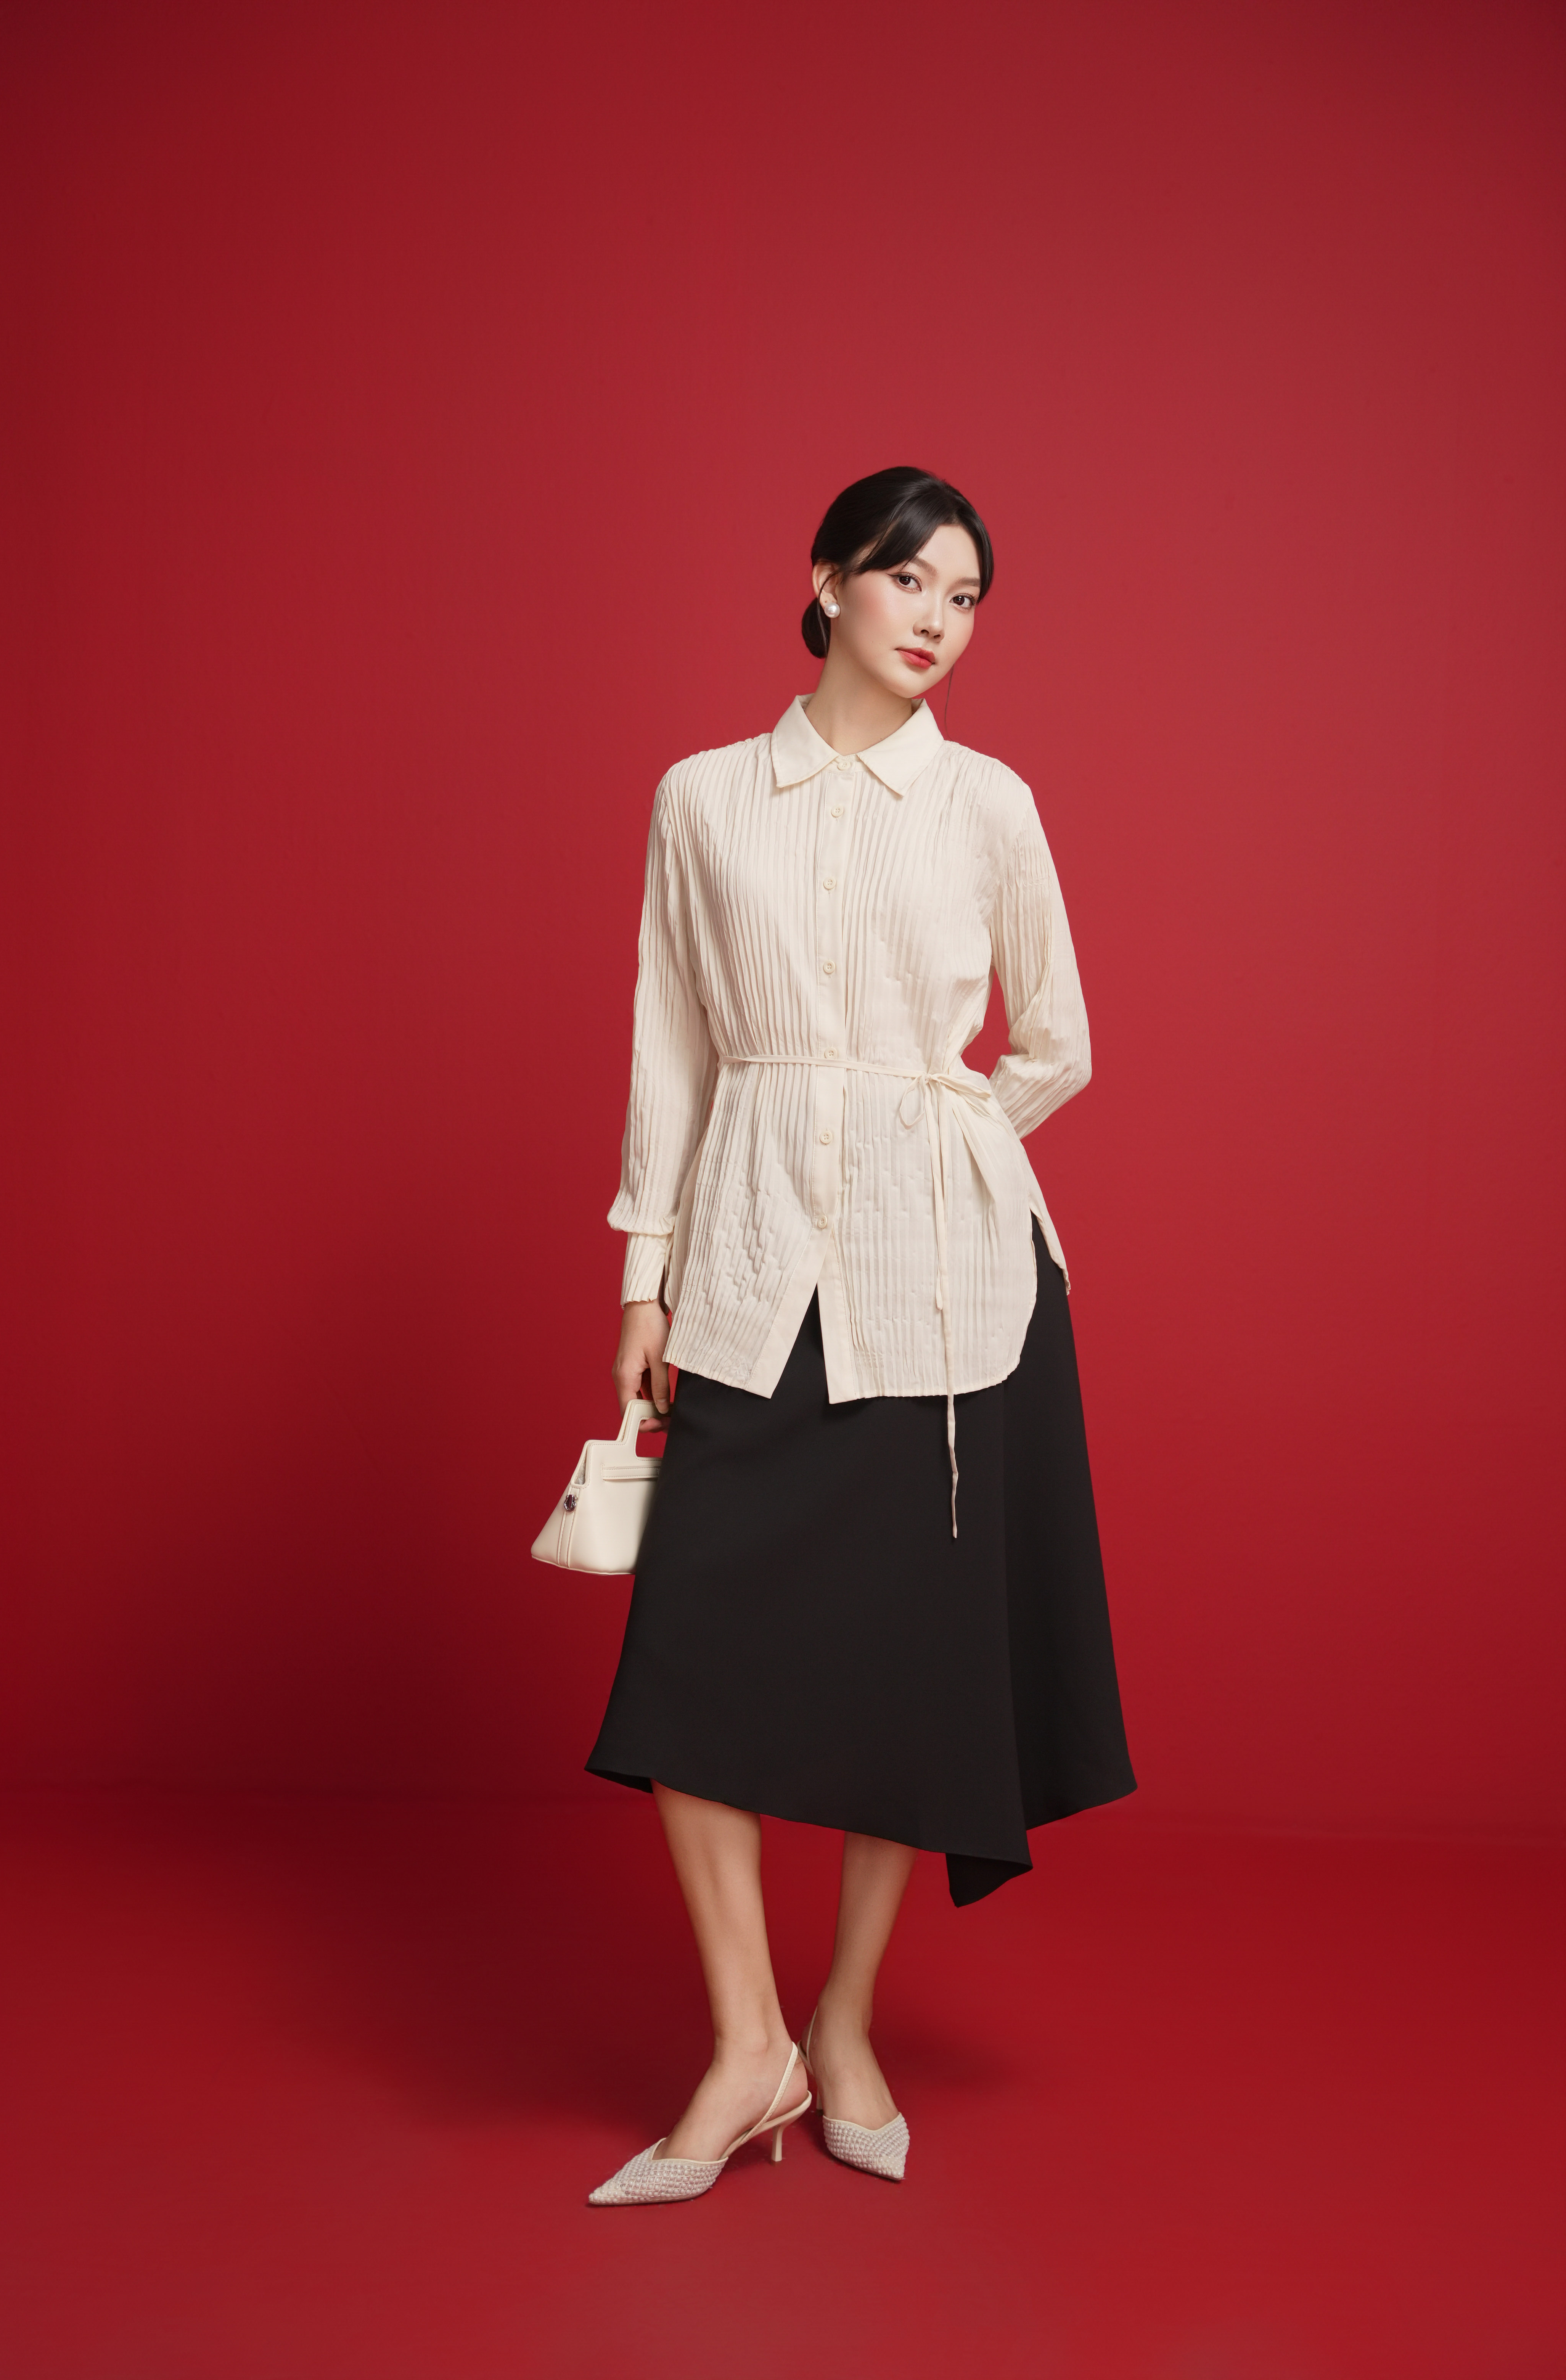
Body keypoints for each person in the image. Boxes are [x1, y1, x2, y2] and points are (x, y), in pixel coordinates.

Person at [585, 466, 1135, 2207]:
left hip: (946, 1290)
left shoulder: (986, 804)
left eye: (967, 599)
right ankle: (744, 2041)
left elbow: (1055, 1041)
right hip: (751, 1264)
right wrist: (645, 1273)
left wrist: (939, 1144)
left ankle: (841, 2023)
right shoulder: (702, 800)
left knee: (914, 1668)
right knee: (686, 1656)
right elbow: (672, 1041)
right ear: (828, 582)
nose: (937, 620)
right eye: (910, 580)